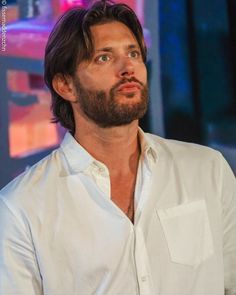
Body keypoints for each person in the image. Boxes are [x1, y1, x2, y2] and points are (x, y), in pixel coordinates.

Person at [0, 1, 236, 294]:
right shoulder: (21, 207)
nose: (128, 68)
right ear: (65, 85)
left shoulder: (208, 169)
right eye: (103, 58)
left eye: (133, 53)